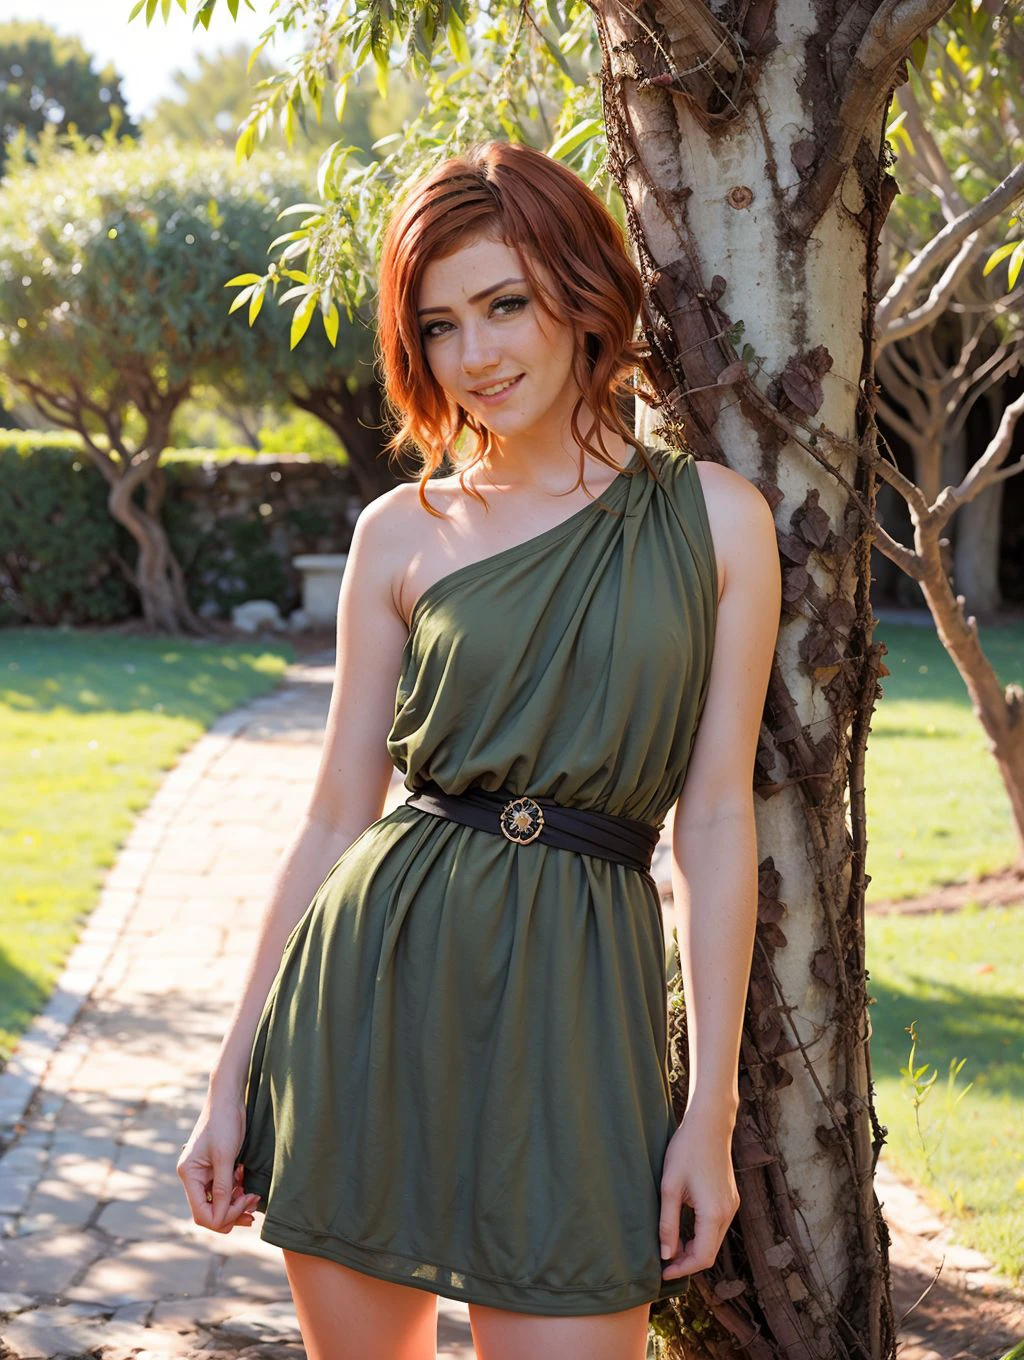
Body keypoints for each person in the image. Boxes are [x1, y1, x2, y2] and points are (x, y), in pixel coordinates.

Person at [177, 139, 780, 1360]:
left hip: (582, 1004)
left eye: (505, 303)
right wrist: (228, 1075)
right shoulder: (400, 532)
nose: (478, 354)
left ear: (582, 291)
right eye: (441, 325)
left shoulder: (716, 518)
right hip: (372, 994)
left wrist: (705, 1110)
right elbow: (334, 815)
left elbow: (713, 820)